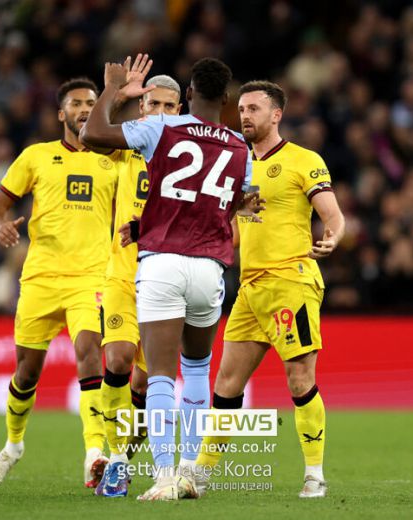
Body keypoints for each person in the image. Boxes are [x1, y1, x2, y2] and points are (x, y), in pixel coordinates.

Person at [81, 56, 263, 501]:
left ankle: (163, 476)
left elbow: (91, 135)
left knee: (160, 376)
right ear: (226, 99)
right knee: (196, 368)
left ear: (188, 94)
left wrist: (112, 89)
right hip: (209, 270)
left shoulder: (163, 128)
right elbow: (231, 203)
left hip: (162, 265)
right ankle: (189, 473)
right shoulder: (240, 147)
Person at [194, 81, 345, 499]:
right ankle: (200, 475)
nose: (245, 115)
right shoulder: (234, 164)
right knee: (226, 383)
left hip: (291, 281)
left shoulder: (303, 160)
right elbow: (230, 232)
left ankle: (314, 475)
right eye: (242, 109)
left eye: (254, 109)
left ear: (276, 115)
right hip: (250, 287)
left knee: (299, 378)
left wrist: (332, 237)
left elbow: (333, 215)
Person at [0, 78, 118, 489]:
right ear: (61, 113)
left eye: (91, 103)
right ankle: (13, 445)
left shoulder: (115, 160)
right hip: (40, 278)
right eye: (75, 103)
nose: (83, 109)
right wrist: (1, 225)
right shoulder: (36, 156)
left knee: (89, 352)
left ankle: (94, 452)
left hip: (91, 276)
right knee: (26, 373)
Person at [96, 68, 184, 498]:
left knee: (146, 386)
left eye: (169, 106)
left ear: (180, 110)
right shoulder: (128, 147)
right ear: (142, 107)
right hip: (122, 276)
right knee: (117, 360)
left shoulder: (189, 154)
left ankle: (122, 460)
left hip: (166, 280)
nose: (161, 112)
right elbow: (92, 135)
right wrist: (114, 93)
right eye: (154, 104)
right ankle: (115, 459)